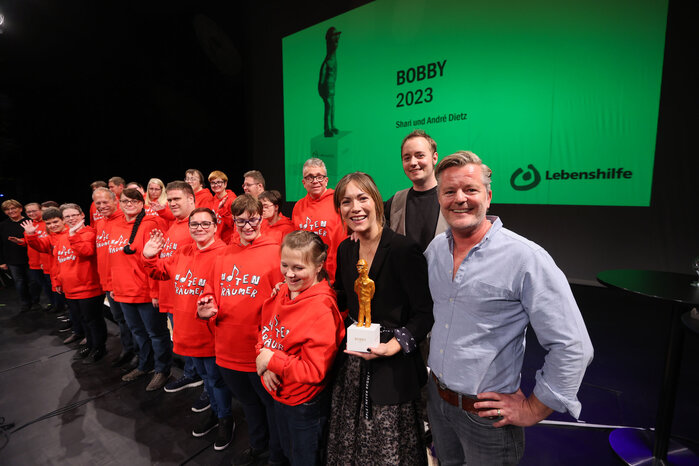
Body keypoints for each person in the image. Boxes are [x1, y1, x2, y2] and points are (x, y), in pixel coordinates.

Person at [424, 151, 594, 465]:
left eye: (470, 190)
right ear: (439, 198)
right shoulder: (435, 250)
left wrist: (534, 407)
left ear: (488, 196)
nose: (459, 198)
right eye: (449, 191)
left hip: (486, 418)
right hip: (438, 402)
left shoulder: (525, 258)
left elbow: (573, 346)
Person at [326, 172, 434, 465]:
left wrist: (395, 345)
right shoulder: (346, 249)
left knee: (389, 449)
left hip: (393, 368)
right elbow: (342, 297)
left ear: (376, 201)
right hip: (353, 363)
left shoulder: (403, 249)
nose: (355, 208)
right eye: (346, 201)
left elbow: (425, 313)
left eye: (362, 198)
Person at [197, 194, 286, 466]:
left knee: (270, 407)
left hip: (260, 351)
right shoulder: (223, 254)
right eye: (241, 221)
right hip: (226, 349)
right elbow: (210, 293)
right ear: (233, 221)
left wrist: (273, 352)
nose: (247, 226)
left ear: (262, 217)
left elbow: (283, 304)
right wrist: (204, 311)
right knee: (248, 405)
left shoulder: (276, 251)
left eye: (253, 219)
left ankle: (276, 455)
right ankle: (258, 447)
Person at [142, 207, 234, 451]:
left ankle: (225, 419)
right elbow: (158, 272)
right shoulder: (183, 252)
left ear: (216, 226)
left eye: (205, 224)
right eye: (194, 224)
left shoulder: (225, 254)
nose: (199, 228)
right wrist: (149, 256)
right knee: (206, 379)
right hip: (186, 331)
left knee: (216, 380)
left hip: (212, 332)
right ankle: (215, 412)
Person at [255, 230, 344, 465]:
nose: (290, 274)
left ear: (318, 266)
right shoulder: (282, 290)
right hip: (279, 394)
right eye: (285, 265)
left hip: (304, 405)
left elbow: (314, 371)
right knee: (284, 450)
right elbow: (265, 332)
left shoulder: (322, 309)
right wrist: (266, 361)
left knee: (303, 458)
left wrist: (271, 361)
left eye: (299, 268)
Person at [23, 204, 108, 363]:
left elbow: (87, 251)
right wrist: (57, 281)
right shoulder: (61, 237)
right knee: (82, 319)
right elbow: (58, 263)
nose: (71, 219)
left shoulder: (89, 232)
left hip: (88, 288)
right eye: (67, 217)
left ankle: (99, 348)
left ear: (82, 215)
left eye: (74, 215)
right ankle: (90, 344)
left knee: (93, 320)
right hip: (71, 289)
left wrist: (74, 235)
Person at [108, 188, 172, 391]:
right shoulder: (115, 225)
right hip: (123, 291)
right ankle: (146, 365)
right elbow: (113, 259)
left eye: (134, 201)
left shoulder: (150, 225)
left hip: (144, 292)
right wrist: (113, 286)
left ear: (141, 202)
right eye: (125, 201)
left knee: (156, 333)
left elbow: (156, 260)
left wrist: (155, 292)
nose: (129, 204)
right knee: (137, 331)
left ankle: (162, 370)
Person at [153, 181, 206, 398]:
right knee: (185, 344)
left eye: (177, 199)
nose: (172, 203)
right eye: (170, 199)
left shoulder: (197, 226)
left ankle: (207, 389)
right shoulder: (174, 225)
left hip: (189, 299)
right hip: (172, 295)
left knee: (199, 350)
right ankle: (192, 374)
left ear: (191, 199)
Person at [92, 187, 136, 368]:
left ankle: (140, 355)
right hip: (108, 282)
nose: (101, 206)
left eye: (105, 202)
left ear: (115, 201)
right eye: (98, 203)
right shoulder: (100, 223)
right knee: (120, 320)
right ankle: (128, 349)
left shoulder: (126, 221)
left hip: (125, 283)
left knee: (133, 323)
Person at [385, 129, 448, 252]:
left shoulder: (452, 197)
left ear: (434, 158)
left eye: (420, 155)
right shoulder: (395, 202)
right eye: (407, 158)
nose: (413, 163)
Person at [291, 158, 345, 281]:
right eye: (310, 177)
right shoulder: (298, 207)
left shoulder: (339, 201)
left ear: (326, 181)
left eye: (319, 176)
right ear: (304, 182)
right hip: (306, 274)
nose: (315, 181)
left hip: (335, 273)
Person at [1, 199, 39, 312]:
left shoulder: (30, 221)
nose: (11, 211)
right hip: (12, 259)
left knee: (34, 282)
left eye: (13, 208)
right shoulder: (2, 225)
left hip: (31, 258)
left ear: (20, 209)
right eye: (7, 209)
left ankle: (35, 302)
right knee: (19, 283)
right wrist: (1, 261)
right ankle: (25, 303)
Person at [24, 202, 53, 311]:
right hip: (34, 261)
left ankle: (59, 306)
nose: (31, 213)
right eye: (29, 212)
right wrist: (21, 241)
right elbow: (30, 242)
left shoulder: (48, 223)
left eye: (34, 210)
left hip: (46, 261)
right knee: (45, 286)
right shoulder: (29, 224)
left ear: (41, 210)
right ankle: (53, 304)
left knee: (52, 286)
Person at [208, 170, 237, 243]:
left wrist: (223, 210)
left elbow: (234, 223)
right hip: (214, 241)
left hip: (227, 242)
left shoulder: (232, 200)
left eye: (219, 182)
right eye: (213, 183)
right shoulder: (212, 200)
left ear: (225, 184)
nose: (216, 185)